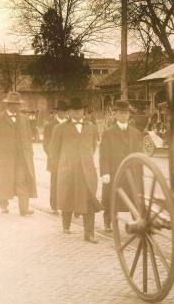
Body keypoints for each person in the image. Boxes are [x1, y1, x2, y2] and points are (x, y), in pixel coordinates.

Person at [49, 97, 101, 242]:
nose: (77, 113)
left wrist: (86, 161)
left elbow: (93, 147)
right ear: (69, 112)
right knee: (67, 197)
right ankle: (66, 225)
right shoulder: (59, 128)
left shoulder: (91, 127)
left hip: (87, 171)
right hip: (68, 170)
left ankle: (89, 233)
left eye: (80, 110)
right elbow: (54, 150)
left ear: (83, 111)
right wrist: (61, 166)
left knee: (89, 199)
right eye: (73, 111)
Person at [0, 92, 37, 215]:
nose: (17, 107)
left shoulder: (24, 119)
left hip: (21, 157)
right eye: (15, 104)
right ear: (8, 105)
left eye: (18, 105)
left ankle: (24, 208)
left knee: (22, 180)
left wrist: (29, 152)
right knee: (4, 181)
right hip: (5, 157)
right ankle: (4, 205)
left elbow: (28, 137)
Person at [99, 100, 142, 232]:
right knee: (111, 199)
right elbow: (104, 155)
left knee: (134, 198)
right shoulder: (108, 133)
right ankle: (108, 222)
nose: (124, 116)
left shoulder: (135, 133)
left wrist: (140, 173)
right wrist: (104, 173)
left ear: (129, 115)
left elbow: (139, 154)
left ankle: (138, 223)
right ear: (115, 115)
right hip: (114, 172)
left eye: (126, 113)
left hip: (132, 173)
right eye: (121, 113)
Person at [43, 101, 69, 214]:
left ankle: (66, 204)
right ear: (57, 112)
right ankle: (54, 205)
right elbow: (46, 144)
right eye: (61, 112)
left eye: (65, 111)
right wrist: (53, 156)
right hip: (55, 160)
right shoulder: (50, 126)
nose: (63, 114)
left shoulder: (70, 125)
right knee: (55, 182)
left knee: (68, 183)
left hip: (69, 160)